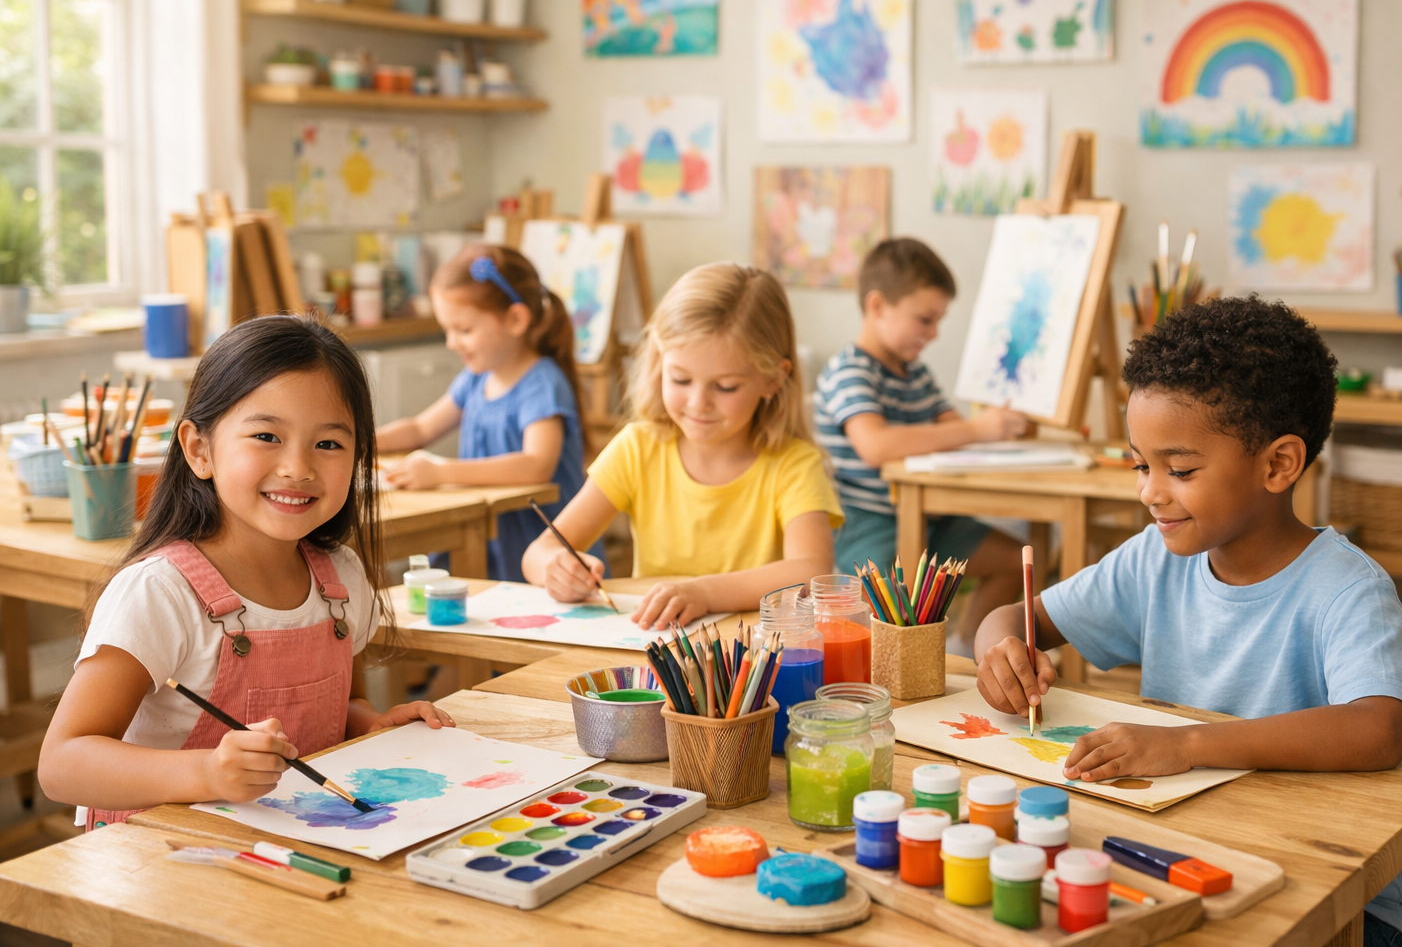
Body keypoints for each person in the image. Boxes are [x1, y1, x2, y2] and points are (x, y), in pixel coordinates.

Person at [974, 297, 1402, 947]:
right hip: (1201, 851)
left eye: (1180, 470)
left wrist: (1184, 745)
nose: (1150, 491)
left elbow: (1377, 730)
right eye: (1142, 465)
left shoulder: (1348, 588)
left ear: (1278, 464)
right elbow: (1019, 617)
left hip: (1350, 896)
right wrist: (999, 649)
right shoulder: (1154, 560)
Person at [40, 316, 451, 824]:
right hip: (160, 856)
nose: (298, 467)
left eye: (328, 444)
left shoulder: (341, 580)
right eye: (266, 436)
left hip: (288, 845)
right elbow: (61, 764)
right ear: (199, 450)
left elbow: (341, 705)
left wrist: (370, 725)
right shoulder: (159, 592)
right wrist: (207, 772)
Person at [522, 263, 841, 629]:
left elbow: (810, 570)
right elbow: (539, 552)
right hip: (656, 649)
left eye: (725, 386)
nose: (698, 403)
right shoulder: (638, 449)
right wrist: (555, 568)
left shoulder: (795, 464)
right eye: (680, 379)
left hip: (753, 656)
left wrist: (704, 592)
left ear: (773, 379)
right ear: (660, 362)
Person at [814, 237, 1031, 648]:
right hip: (868, 521)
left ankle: (968, 655)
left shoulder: (916, 374)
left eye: (938, 321)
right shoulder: (849, 371)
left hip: (929, 518)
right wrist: (977, 429)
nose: (933, 333)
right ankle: (913, 663)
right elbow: (875, 446)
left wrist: (996, 422)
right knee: (899, 616)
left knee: (1014, 562)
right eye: (925, 319)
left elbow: (954, 427)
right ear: (878, 306)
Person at [376, 244, 593, 581]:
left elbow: (536, 465)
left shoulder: (542, 383)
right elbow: (420, 429)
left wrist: (441, 472)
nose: (451, 343)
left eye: (464, 330)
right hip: (485, 539)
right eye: (447, 330)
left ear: (515, 320)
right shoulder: (476, 379)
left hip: (540, 553)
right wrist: (363, 441)